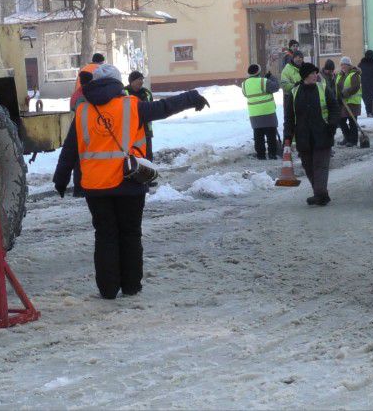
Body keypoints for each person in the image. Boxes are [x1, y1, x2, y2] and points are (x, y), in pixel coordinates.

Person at [53, 64, 210, 300]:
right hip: (129, 182)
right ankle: (131, 286)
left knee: (105, 235)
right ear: (118, 84)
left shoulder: (83, 111)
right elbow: (164, 107)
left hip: (95, 186)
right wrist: (192, 97)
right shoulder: (132, 106)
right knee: (130, 233)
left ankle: (107, 290)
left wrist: (61, 179)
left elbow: (69, 150)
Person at [283, 63, 340, 206]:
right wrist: (287, 135)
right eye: (313, 73)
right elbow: (289, 117)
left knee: (320, 166)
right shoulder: (295, 93)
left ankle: (319, 194)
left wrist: (332, 125)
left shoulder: (323, 88)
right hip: (303, 137)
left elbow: (334, 108)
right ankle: (322, 195)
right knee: (308, 166)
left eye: (316, 73)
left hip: (323, 134)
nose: (316, 75)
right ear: (305, 76)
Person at [242, 64, 281, 160]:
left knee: (258, 135)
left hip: (254, 114)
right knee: (271, 134)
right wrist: (271, 77)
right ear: (259, 72)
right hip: (268, 112)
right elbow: (276, 87)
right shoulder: (264, 81)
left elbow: (245, 94)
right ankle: (272, 154)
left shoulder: (244, 84)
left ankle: (261, 155)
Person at [126, 71, 154, 161]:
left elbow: (152, 108)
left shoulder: (146, 93)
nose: (141, 81)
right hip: (129, 131)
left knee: (148, 155)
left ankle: (149, 172)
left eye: (142, 79)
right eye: (139, 79)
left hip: (146, 130)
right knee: (132, 155)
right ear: (132, 81)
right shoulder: (124, 92)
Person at [336, 57, 363, 147]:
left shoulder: (354, 74)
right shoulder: (341, 75)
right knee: (341, 120)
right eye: (341, 64)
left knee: (352, 121)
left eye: (344, 64)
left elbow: (356, 87)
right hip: (343, 102)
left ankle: (353, 140)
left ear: (349, 65)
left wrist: (346, 92)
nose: (342, 66)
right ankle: (347, 137)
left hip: (353, 102)